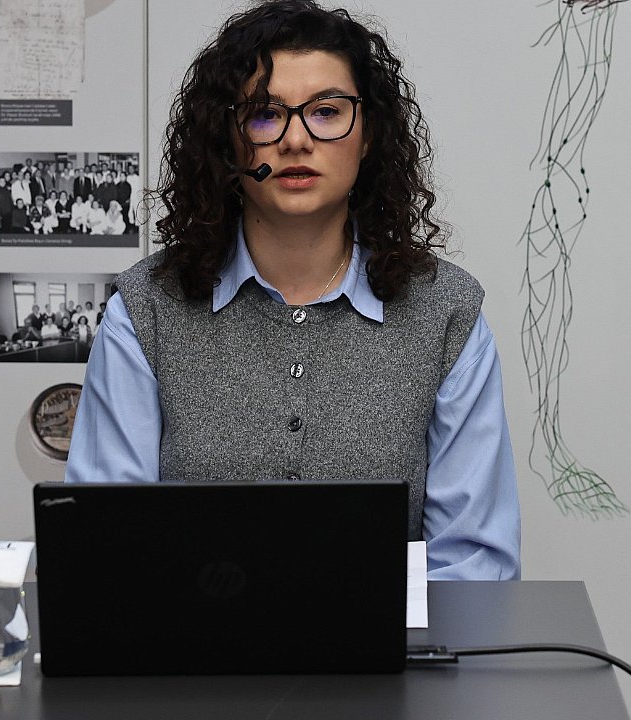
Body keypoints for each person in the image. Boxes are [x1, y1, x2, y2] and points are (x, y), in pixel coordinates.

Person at [64, 0, 519, 581]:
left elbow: (474, 566)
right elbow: (106, 547)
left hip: (390, 640)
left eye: (327, 112)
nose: (297, 140)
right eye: (265, 115)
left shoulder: (446, 311)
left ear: (369, 135)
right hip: (192, 638)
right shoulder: (145, 309)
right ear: (228, 141)